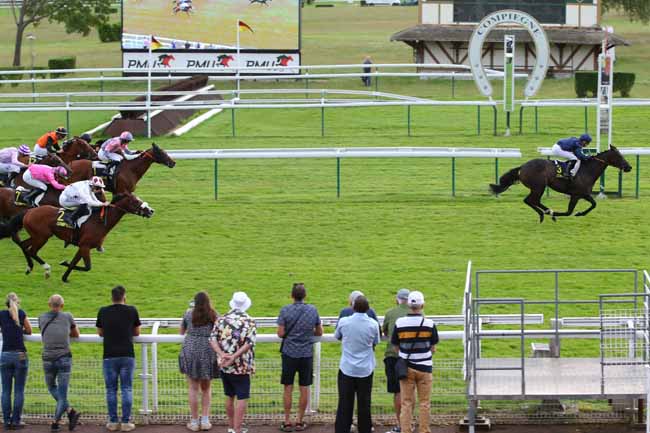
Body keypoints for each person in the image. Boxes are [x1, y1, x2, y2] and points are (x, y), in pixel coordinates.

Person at [276, 283, 323, 432]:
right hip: (306, 354)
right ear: (305, 296)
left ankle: (287, 420)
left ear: (291, 296)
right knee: (304, 388)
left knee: (288, 388)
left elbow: (281, 333)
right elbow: (319, 332)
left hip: (289, 353)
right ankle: (299, 420)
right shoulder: (312, 310)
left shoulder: (285, 310)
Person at [96, 285, 141, 432]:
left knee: (111, 390)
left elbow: (100, 332)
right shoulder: (132, 310)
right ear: (124, 297)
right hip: (127, 354)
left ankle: (113, 422)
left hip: (109, 355)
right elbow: (137, 333)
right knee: (126, 388)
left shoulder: (103, 311)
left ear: (112, 297)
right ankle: (126, 422)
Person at [392, 291, 439, 433]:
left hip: (406, 368)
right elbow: (433, 348)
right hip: (425, 368)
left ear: (408, 304)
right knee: (424, 403)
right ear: (422, 305)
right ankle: (424, 430)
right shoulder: (429, 324)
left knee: (406, 402)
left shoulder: (399, 323)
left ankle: (406, 430)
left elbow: (395, 346)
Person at [210, 292, 256, 433]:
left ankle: (231, 427)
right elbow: (249, 343)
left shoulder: (222, 319)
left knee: (229, 396)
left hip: (224, 364)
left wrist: (222, 354)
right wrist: (234, 356)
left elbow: (212, 339)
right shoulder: (249, 321)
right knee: (242, 397)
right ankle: (237, 428)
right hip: (241, 365)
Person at [334, 296, 380, 433]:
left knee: (344, 403)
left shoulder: (344, 321)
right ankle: (365, 429)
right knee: (364, 403)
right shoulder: (373, 324)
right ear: (368, 309)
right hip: (365, 369)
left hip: (347, 368)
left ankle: (342, 429)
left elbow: (337, 336)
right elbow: (376, 341)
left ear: (352, 307)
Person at [38, 294, 81, 433]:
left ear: (48, 304)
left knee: (51, 387)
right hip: (64, 357)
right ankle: (62, 417)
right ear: (62, 305)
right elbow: (76, 334)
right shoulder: (67, 316)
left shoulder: (41, 317)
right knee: (62, 394)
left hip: (47, 358)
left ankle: (65, 416)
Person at [179, 292, 218, 432]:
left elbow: (181, 332)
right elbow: (217, 333)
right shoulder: (213, 314)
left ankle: (194, 422)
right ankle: (205, 420)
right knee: (206, 388)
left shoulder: (188, 313)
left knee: (193, 388)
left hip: (190, 350)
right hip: (208, 351)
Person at [0, 293, 32, 430]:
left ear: (6, 303)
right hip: (20, 354)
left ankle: (6, 421)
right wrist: (20, 330)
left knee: (6, 391)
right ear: (17, 302)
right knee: (19, 390)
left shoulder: (1, 314)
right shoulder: (21, 313)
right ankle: (16, 421)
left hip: (5, 354)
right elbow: (29, 331)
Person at [382, 288, 410, 433]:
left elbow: (385, 332)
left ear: (397, 299)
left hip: (393, 356)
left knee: (398, 392)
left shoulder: (390, 313)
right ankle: (409, 424)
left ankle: (402, 426)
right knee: (409, 392)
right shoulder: (418, 313)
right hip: (413, 358)